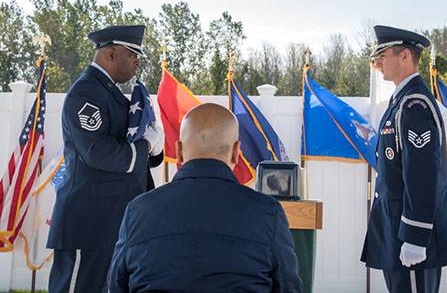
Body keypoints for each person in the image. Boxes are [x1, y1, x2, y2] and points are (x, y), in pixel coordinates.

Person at [108, 103, 303, 292]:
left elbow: (117, 285)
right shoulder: (268, 213)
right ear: (236, 152)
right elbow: (288, 286)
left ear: (179, 152)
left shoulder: (138, 211)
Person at [46, 25, 164, 293]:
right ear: (110, 52)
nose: (138, 61)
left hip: (109, 222)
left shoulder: (110, 94)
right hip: (86, 222)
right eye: (133, 53)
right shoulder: (86, 93)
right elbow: (97, 152)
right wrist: (146, 146)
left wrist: (155, 150)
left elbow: (130, 147)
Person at [361, 25, 447, 292]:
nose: (379, 63)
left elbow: (422, 174)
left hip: (411, 233)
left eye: (384, 55)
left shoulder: (415, 104)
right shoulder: (401, 101)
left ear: (405, 56)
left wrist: (416, 236)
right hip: (396, 230)